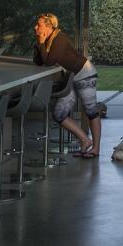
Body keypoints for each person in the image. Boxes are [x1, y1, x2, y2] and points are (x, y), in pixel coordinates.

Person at [33, 12, 103, 158]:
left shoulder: (60, 38)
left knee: (91, 111)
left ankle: (96, 149)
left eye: (38, 25)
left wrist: (40, 43)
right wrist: (39, 42)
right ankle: (85, 140)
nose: (35, 27)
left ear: (48, 26)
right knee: (59, 114)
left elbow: (49, 61)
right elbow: (39, 61)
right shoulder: (47, 39)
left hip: (85, 73)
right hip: (72, 77)